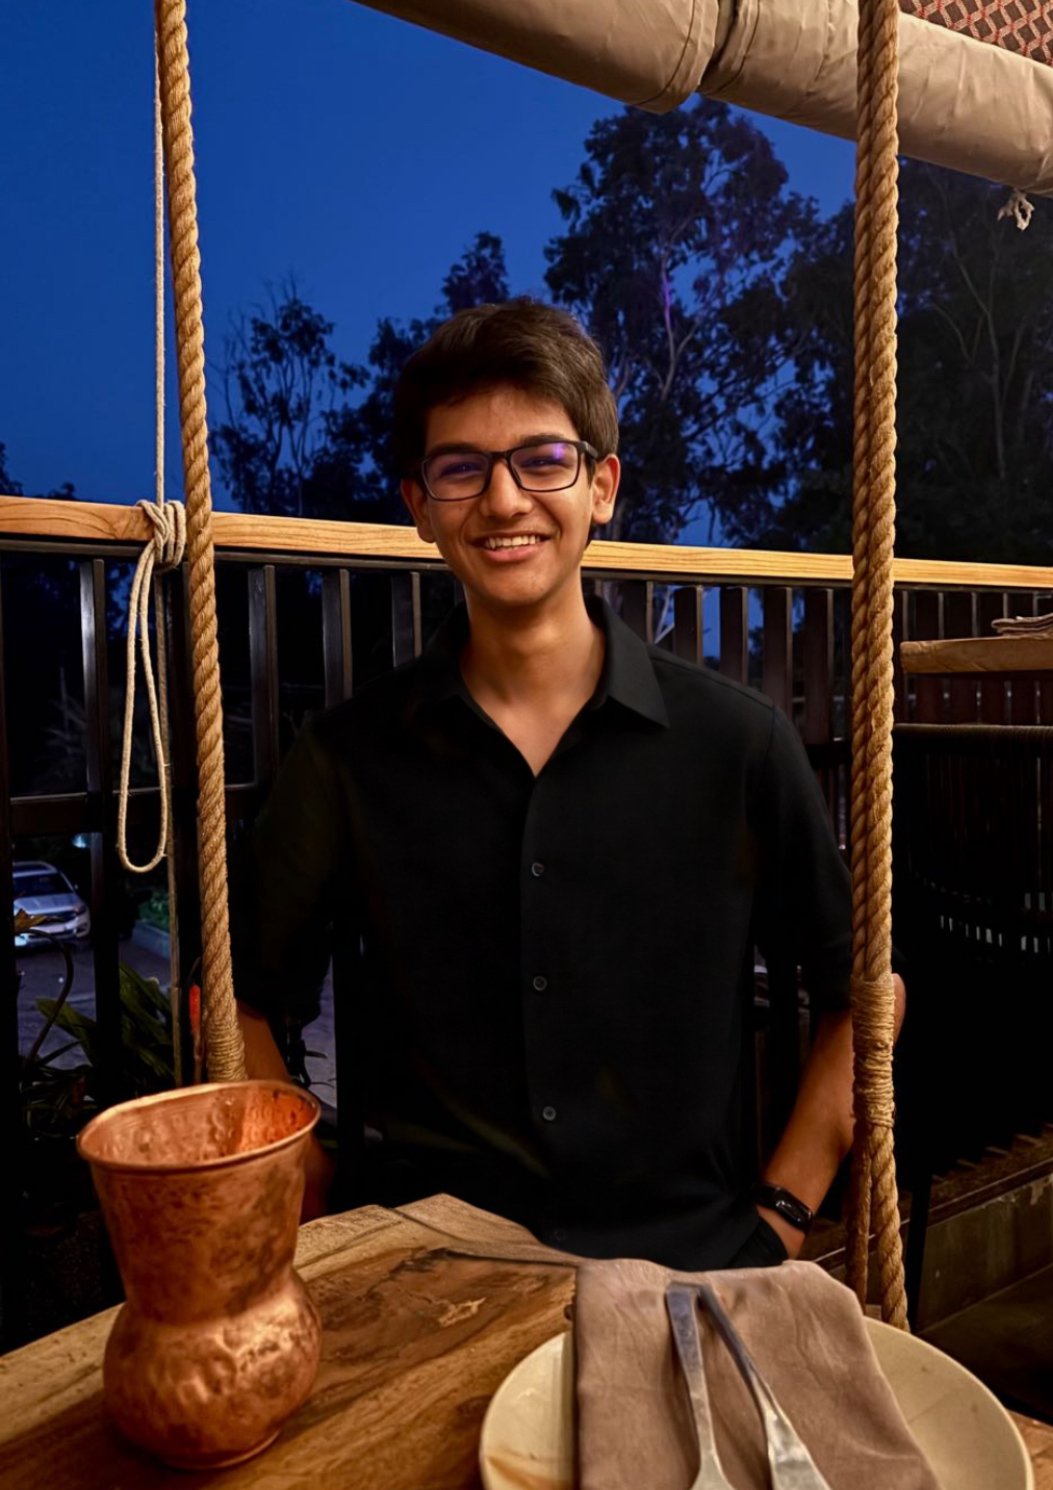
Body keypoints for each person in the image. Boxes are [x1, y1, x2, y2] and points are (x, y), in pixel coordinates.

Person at [234, 297, 904, 1270]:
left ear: (602, 486)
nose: (504, 501)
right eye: (461, 467)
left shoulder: (738, 744)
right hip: (423, 1266)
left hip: (688, 1261)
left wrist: (781, 1209)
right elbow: (241, 993)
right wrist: (305, 1184)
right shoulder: (346, 756)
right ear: (420, 506)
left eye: (542, 460)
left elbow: (866, 992)